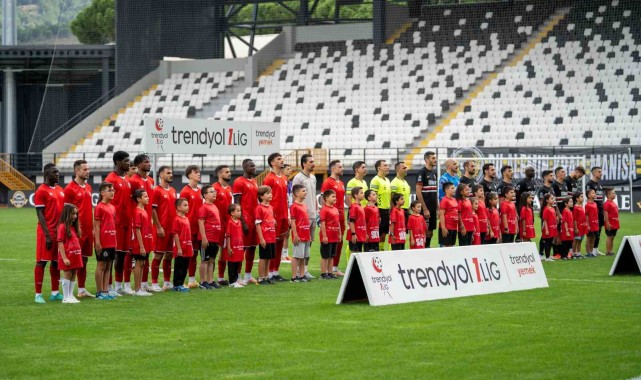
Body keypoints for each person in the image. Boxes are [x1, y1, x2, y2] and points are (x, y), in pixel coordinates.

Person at [34, 164, 65, 304]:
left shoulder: (60, 190)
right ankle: (38, 294)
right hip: (45, 232)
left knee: (55, 262)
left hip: (58, 232)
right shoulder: (41, 191)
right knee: (41, 262)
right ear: (47, 174)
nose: (57, 174)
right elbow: (39, 213)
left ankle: (55, 292)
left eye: (58, 172)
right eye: (54, 172)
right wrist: (47, 235)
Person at [63, 159, 94, 298]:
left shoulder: (88, 187)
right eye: (85, 169)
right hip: (76, 231)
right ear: (77, 171)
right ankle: (68, 293)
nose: (88, 172)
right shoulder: (69, 189)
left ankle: (81, 289)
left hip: (88, 230)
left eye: (88, 169)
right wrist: (70, 231)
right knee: (73, 260)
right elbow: (66, 212)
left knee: (84, 260)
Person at [105, 151, 132, 295]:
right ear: (117, 162)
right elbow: (103, 201)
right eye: (126, 161)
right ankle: (108, 287)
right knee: (111, 255)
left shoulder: (126, 178)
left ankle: (118, 285)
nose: (129, 163)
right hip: (114, 223)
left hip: (126, 223)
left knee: (121, 255)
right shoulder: (111, 179)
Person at [128, 154, 155, 291]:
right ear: (138, 165)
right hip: (138, 222)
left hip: (147, 222)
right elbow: (130, 202)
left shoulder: (151, 180)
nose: (148, 164)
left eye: (149, 162)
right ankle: (128, 285)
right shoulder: (133, 180)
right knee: (136, 256)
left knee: (146, 255)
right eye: (145, 162)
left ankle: (144, 284)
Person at [263, 153, 289, 282]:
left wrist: (288, 214)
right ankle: (269, 272)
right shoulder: (269, 178)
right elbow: (265, 198)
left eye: (281, 158)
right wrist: (270, 215)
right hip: (274, 216)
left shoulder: (284, 177)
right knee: (272, 244)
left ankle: (276, 271)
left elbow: (285, 197)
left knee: (280, 244)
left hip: (284, 215)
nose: (282, 160)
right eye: (279, 159)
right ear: (273, 163)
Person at [233, 159, 259, 284]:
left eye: (254, 165)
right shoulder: (239, 182)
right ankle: (237, 276)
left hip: (255, 220)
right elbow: (236, 202)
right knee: (241, 248)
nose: (254, 167)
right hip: (245, 219)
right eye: (251, 166)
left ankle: (248, 275)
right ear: (245, 167)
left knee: (253, 248)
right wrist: (242, 221)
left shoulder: (254, 181)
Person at [151, 166, 177, 291]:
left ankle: (167, 282)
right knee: (158, 255)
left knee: (169, 256)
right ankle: (154, 283)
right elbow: (153, 210)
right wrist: (159, 226)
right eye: (168, 173)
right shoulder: (157, 190)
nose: (171, 175)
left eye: (171, 173)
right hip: (161, 229)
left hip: (172, 229)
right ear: (161, 175)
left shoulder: (172, 190)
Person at [291, 154, 317, 279]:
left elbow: (313, 195)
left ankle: (304, 270)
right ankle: (296, 272)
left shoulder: (313, 177)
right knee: (300, 244)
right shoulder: (298, 178)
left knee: (309, 243)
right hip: (302, 216)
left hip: (312, 214)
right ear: (304, 163)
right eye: (311, 161)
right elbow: (294, 195)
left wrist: (316, 210)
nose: (313, 163)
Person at [321, 160, 346, 276]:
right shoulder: (327, 182)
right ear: (333, 168)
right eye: (340, 167)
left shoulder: (341, 183)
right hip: (331, 216)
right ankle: (326, 270)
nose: (342, 169)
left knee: (339, 242)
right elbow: (323, 199)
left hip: (340, 215)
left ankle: (334, 268)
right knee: (329, 242)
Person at [180, 165, 203, 289]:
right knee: (185, 254)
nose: (198, 174)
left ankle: (192, 280)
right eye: (196, 172)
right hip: (187, 227)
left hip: (197, 227)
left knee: (194, 253)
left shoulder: (199, 191)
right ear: (189, 175)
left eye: (199, 172)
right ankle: (181, 280)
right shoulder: (185, 191)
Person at [94, 182, 116, 300]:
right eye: (109, 190)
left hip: (112, 240)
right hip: (102, 241)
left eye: (113, 190)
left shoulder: (112, 207)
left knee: (108, 266)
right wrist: (97, 242)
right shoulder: (99, 207)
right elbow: (96, 226)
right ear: (102, 193)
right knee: (101, 265)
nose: (112, 192)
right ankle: (99, 292)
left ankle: (105, 290)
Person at [57, 204, 83, 304]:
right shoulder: (62, 227)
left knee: (73, 273)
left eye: (76, 214)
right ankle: (65, 297)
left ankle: (71, 295)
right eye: (73, 214)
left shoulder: (74, 226)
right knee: (67, 273)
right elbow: (60, 242)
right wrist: (64, 258)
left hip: (76, 255)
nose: (75, 216)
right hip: (67, 256)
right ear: (67, 214)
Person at [213, 164, 234, 285]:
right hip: (216, 225)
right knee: (214, 253)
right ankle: (209, 279)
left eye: (230, 171)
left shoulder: (229, 188)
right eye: (226, 172)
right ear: (220, 174)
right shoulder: (214, 188)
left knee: (224, 251)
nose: (229, 173)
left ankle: (221, 278)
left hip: (227, 224)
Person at [198, 185, 222, 289]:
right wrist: (204, 238)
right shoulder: (204, 207)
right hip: (207, 239)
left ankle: (210, 280)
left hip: (215, 239)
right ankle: (203, 282)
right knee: (205, 260)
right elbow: (201, 222)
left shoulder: (214, 206)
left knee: (212, 260)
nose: (214, 193)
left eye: (214, 191)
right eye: (211, 191)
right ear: (205, 195)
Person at [131, 189, 153, 296]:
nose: (148, 198)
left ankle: (139, 288)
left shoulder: (144, 211)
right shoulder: (137, 212)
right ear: (139, 199)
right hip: (140, 244)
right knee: (139, 264)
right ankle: (137, 289)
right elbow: (137, 230)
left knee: (143, 263)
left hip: (145, 242)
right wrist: (141, 246)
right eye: (145, 196)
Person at [416, 151, 438, 247]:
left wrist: (437, 208)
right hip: (426, 208)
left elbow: (434, 191)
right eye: (433, 158)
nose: (435, 160)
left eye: (435, 158)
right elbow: (418, 191)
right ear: (426, 160)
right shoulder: (422, 172)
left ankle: (427, 248)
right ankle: (423, 250)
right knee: (424, 231)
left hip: (433, 208)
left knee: (431, 232)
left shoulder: (434, 173)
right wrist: (424, 209)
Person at [290, 184, 311, 282]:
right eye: (303, 191)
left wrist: (309, 234)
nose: (305, 192)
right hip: (299, 235)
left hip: (306, 234)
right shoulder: (294, 206)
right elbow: (293, 222)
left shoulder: (304, 205)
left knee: (303, 257)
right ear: (297, 193)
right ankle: (294, 277)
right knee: (296, 256)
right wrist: (295, 235)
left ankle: (302, 275)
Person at [255, 186, 276, 285]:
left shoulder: (271, 207)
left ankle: (267, 276)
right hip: (265, 237)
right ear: (261, 196)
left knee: (269, 257)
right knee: (263, 258)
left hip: (272, 236)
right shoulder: (259, 208)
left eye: (271, 193)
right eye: (268, 193)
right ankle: (261, 277)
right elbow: (258, 224)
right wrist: (261, 238)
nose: (270, 195)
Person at [172, 198, 193, 292]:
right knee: (179, 266)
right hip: (181, 248)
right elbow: (175, 234)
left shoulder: (187, 219)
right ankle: (176, 285)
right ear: (178, 208)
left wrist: (190, 246)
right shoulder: (177, 219)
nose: (187, 207)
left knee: (185, 267)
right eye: (185, 205)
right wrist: (179, 248)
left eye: (187, 205)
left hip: (187, 247)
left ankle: (181, 283)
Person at [370, 159, 392, 250]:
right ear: (379, 168)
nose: (388, 167)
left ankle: (381, 249)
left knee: (384, 232)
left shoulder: (387, 180)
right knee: (377, 232)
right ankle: (375, 249)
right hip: (379, 209)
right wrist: (376, 210)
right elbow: (372, 197)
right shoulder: (375, 180)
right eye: (385, 165)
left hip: (387, 210)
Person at [319, 189, 340, 279]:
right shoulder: (324, 209)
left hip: (334, 235)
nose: (335, 198)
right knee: (325, 256)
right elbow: (322, 223)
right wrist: (324, 236)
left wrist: (339, 234)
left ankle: (330, 272)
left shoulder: (335, 209)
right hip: (327, 235)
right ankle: (324, 273)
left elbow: (337, 222)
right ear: (326, 198)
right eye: (333, 196)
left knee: (332, 256)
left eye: (335, 196)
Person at [225, 204, 246, 288]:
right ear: (232, 213)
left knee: (238, 263)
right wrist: (229, 247)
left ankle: (236, 279)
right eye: (238, 211)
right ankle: (231, 281)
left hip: (239, 246)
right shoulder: (230, 222)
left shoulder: (240, 222)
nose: (240, 212)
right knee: (232, 264)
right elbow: (228, 235)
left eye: (240, 211)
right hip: (233, 247)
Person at [586, 166, 605, 256]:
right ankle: (590, 251)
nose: (601, 173)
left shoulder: (600, 185)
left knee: (598, 231)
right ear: (593, 173)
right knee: (591, 233)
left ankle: (595, 249)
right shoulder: (589, 184)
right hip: (593, 212)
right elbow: (588, 197)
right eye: (599, 172)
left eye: (601, 172)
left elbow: (600, 198)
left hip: (600, 211)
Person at [347, 187, 367, 253]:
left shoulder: (360, 206)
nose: (363, 194)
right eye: (361, 193)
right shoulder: (354, 207)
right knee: (355, 255)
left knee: (359, 254)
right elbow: (351, 221)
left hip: (360, 235)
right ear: (356, 195)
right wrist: (353, 234)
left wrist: (365, 233)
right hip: (355, 236)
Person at [439, 182, 458, 247]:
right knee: (446, 247)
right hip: (447, 227)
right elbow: (441, 215)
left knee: (451, 246)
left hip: (454, 227)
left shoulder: (454, 199)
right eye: (452, 188)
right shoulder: (444, 200)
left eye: (454, 188)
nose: (454, 189)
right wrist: (443, 228)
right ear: (446, 190)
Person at [281, 164, 294, 262]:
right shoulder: (282, 181)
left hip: (289, 209)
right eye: (287, 169)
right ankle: (281, 254)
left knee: (287, 233)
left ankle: (285, 253)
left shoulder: (290, 182)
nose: (290, 170)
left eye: (290, 169)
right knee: (282, 233)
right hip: (283, 211)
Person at [540, 193, 558, 261]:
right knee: (547, 242)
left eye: (553, 198)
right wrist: (546, 230)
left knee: (550, 242)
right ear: (547, 200)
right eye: (551, 198)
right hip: (548, 228)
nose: (553, 200)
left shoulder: (552, 208)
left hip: (552, 227)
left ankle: (548, 255)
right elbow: (545, 220)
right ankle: (547, 257)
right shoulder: (546, 209)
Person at [603, 188, 619, 256]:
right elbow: (605, 213)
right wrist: (607, 223)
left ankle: (611, 250)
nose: (615, 194)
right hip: (610, 223)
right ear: (608, 195)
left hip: (615, 223)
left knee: (612, 237)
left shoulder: (613, 202)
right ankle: (608, 251)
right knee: (609, 237)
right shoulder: (607, 203)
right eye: (613, 193)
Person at [572, 192, 588, 259]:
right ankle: (573, 253)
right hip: (578, 227)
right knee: (576, 240)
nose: (583, 198)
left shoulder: (581, 206)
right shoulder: (575, 208)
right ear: (577, 199)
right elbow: (575, 219)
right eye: (581, 197)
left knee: (580, 240)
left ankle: (578, 253)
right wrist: (575, 228)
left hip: (582, 226)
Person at [585, 189, 599, 258]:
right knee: (589, 238)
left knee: (593, 237)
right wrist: (588, 225)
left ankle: (591, 251)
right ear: (589, 195)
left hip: (595, 224)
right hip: (590, 224)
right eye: (593, 193)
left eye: (595, 193)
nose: (595, 194)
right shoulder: (587, 205)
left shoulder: (595, 204)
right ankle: (588, 252)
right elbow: (586, 215)